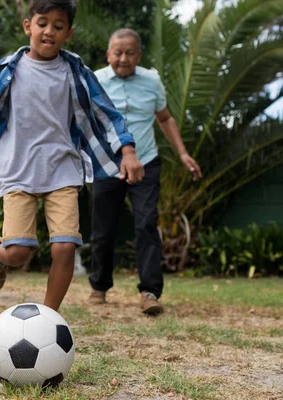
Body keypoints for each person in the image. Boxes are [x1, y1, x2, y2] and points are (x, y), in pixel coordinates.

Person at [0, 0, 144, 312]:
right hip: (18, 170)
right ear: (28, 26)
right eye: (42, 23)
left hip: (62, 169)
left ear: (68, 33)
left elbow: (107, 113)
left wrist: (128, 151)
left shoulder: (76, 71)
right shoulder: (4, 71)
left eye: (58, 25)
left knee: (66, 246)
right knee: (19, 254)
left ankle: (48, 317)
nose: (49, 31)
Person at [89, 28, 202, 314]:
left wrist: (183, 153)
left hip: (146, 162)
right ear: (108, 54)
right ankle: (99, 287)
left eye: (129, 53)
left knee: (146, 225)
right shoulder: (96, 80)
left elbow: (165, 119)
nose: (123, 58)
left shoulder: (152, 81)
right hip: (108, 164)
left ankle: (150, 291)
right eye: (117, 53)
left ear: (139, 55)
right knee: (104, 229)